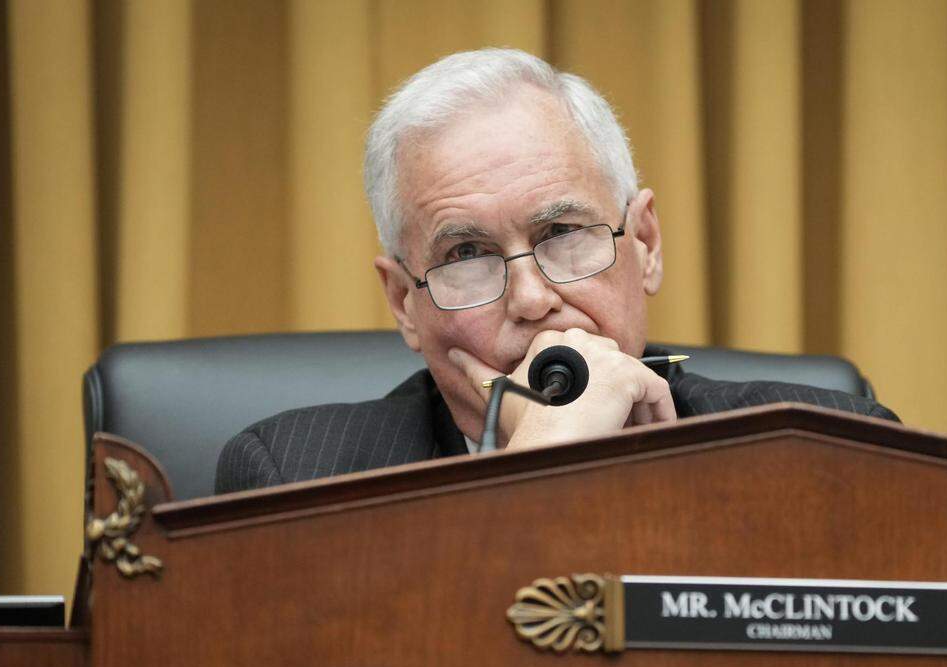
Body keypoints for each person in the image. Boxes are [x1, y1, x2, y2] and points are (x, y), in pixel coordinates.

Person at [216, 48, 897, 494]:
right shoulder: (295, 478)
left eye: (564, 233)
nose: (533, 298)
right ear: (403, 304)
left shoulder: (827, 453)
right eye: (468, 255)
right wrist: (530, 479)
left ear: (646, 243)